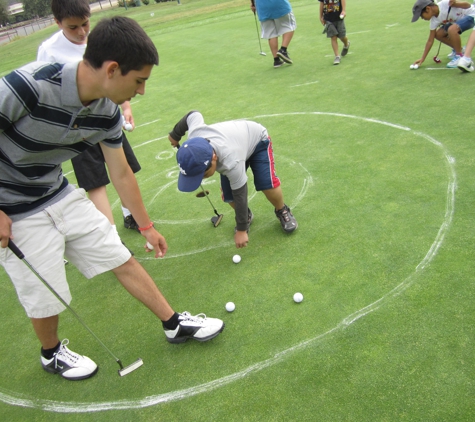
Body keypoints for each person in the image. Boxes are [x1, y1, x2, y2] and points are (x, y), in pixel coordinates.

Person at [0, 17, 224, 381]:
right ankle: (51, 353)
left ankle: (173, 324)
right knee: (46, 293)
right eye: (139, 81)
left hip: (56, 191)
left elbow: (119, 171)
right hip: (14, 208)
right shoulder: (30, 85)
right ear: (112, 69)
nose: (142, 92)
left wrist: (147, 226)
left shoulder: (106, 112)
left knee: (118, 254)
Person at [37, 0, 143, 234]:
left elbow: (117, 77)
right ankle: (111, 236)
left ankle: (131, 216)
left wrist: (125, 107)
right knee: (95, 182)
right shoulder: (49, 50)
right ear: (58, 23)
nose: (82, 32)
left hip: (106, 119)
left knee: (123, 168)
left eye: (85, 24)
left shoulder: (99, 41)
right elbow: (46, 91)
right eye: (73, 27)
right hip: (76, 128)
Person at [168, 111, 298, 249]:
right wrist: (176, 134)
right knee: (228, 196)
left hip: (257, 141)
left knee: (267, 184)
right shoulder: (195, 135)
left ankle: (282, 210)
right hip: (236, 144)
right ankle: (246, 215)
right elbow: (193, 115)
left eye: (203, 174)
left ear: (213, 158)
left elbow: (241, 193)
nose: (201, 178)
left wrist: (241, 229)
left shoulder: (230, 161)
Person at [411, 0, 475, 68]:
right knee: (438, 34)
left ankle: (459, 56)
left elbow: (468, 5)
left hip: (471, 15)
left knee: (452, 29)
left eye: (421, 15)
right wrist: (422, 59)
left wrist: (456, 3)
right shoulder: (434, 20)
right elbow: (430, 40)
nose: (422, 18)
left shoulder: (445, 3)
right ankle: (460, 50)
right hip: (458, 22)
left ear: (428, 9)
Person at [250, 0, 297, 68]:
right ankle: (283, 50)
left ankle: (276, 60)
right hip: (279, 4)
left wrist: (253, 4)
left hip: (262, 7)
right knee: (290, 25)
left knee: (271, 33)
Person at [319, 0, 350, 65]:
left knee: (342, 37)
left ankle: (346, 44)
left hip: (339, 17)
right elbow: (321, 3)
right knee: (333, 37)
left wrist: (344, 10)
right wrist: (321, 16)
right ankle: (337, 56)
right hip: (328, 19)